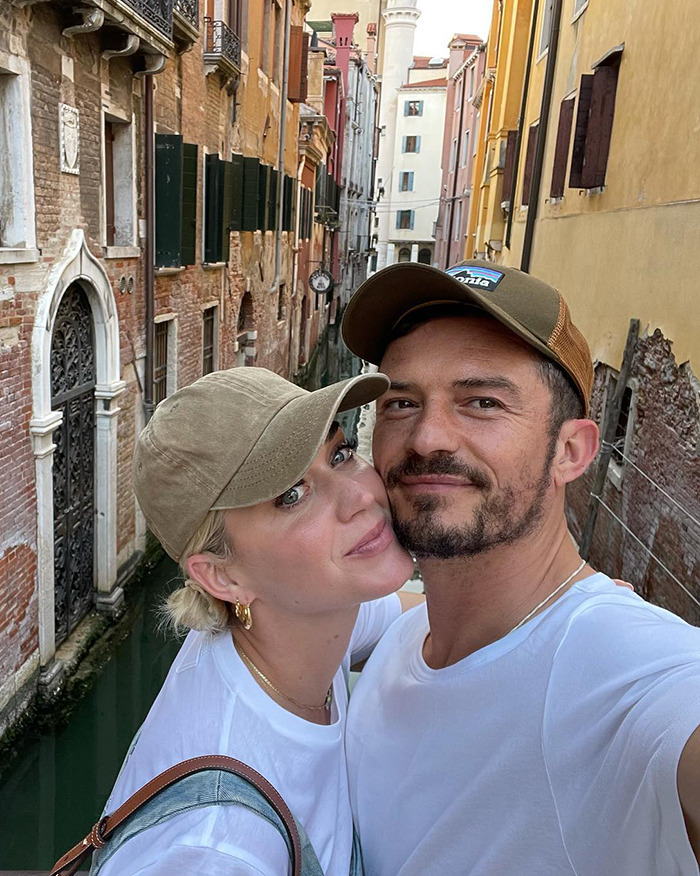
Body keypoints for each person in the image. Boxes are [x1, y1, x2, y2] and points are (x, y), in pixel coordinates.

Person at [341, 259, 700, 875]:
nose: (426, 437)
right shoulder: (406, 634)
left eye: (482, 402)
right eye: (401, 403)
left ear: (570, 450)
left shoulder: (629, 674)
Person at [92, 367, 417, 875]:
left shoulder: (301, 622)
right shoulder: (220, 849)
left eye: (340, 454)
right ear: (222, 576)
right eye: (292, 495)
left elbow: (418, 615)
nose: (361, 497)